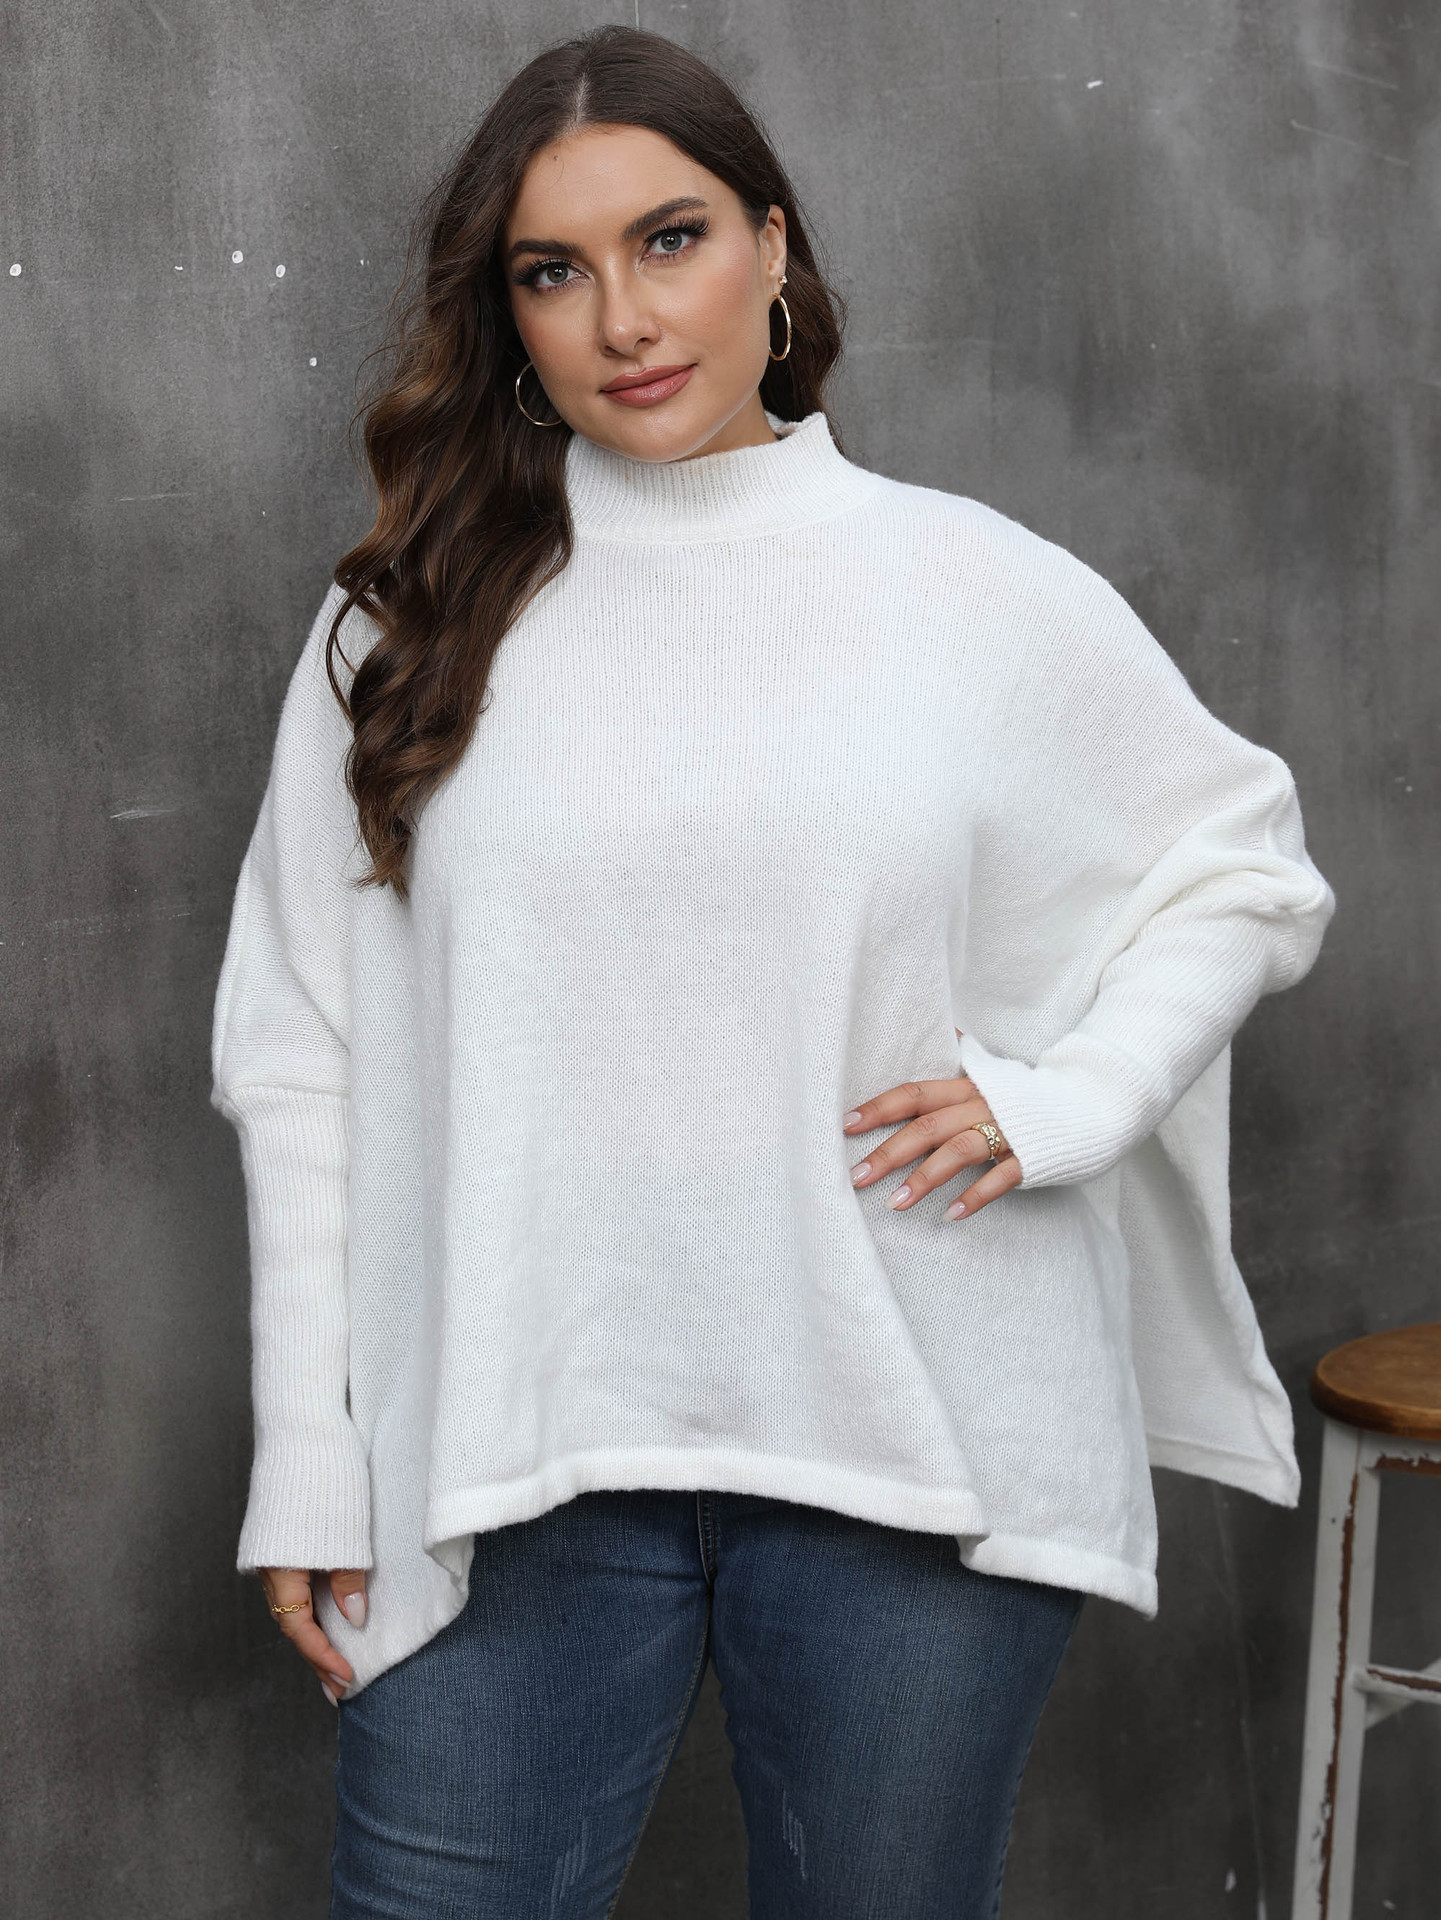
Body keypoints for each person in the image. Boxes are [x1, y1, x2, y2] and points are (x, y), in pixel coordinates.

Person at [211, 24, 1335, 1919]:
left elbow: (1241, 866)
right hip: (507, 1446)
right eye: (553, 271)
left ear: (773, 246)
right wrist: (307, 1461)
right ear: (506, 314)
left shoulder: (968, 587)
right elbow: (296, 1050)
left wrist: (1067, 1103)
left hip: (914, 1444)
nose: (624, 319)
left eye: (671, 239)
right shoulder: (405, 621)